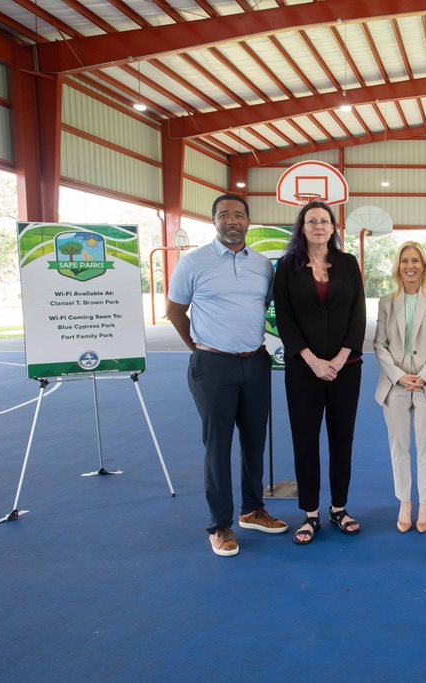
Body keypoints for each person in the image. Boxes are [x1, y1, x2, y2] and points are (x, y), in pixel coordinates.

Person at [167, 193, 288, 557]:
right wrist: (203, 350)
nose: (231, 220)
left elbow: (262, 307)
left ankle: (252, 510)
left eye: (238, 215)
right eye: (223, 215)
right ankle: (219, 525)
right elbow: (175, 312)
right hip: (212, 365)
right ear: (214, 220)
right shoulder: (193, 262)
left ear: (248, 221)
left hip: (255, 362)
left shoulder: (264, 266)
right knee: (218, 446)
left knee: (255, 441)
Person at [273, 201, 366, 543]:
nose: (318, 226)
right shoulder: (286, 266)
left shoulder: (347, 263)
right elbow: (284, 317)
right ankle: (310, 514)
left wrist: (341, 358)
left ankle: (339, 508)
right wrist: (312, 360)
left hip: (346, 369)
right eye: (311, 220)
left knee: (342, 440)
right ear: (302, 227)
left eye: (324, 221)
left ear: (332, 228)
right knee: (306, 441)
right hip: (303, 370)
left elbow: (358, 313)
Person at [374, 242, 426, 534]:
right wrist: (398, 375)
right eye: (405, 260)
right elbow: (379, 344)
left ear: (423, 266)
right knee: (399, 446)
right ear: (398, 266)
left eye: (416, 260)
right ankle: (405, 501)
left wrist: (424, 375)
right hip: (394, 384)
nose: (410, 265)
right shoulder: (386, 300)